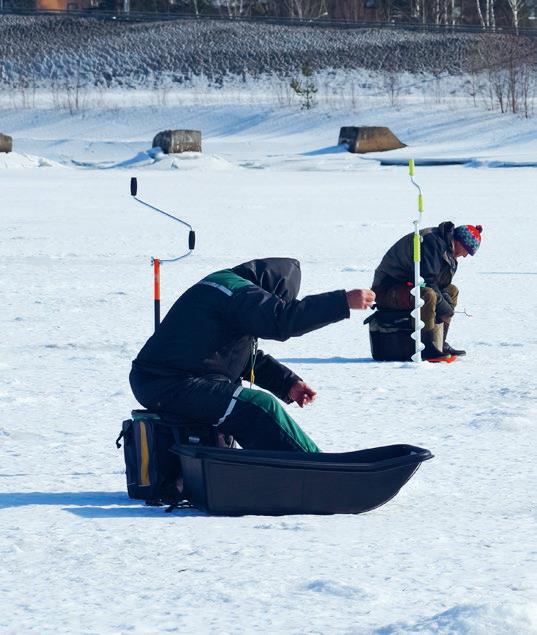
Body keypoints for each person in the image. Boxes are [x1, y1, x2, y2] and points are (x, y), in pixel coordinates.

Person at [130, 257, 375, 453]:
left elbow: (239, 357)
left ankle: (280, 473)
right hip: (169, 382)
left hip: (166, 380)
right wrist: (343, 302)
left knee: (246, 408)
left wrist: (287, 383)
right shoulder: (237, 292)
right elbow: (282, 321)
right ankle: (322, 471)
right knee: (258, 406)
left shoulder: (224, 289)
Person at [371, 222, 482, 359]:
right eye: (467, 250)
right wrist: (443, 305)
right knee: (427, 295)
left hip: (407, 285)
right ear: (459, 242)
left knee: (452, 291)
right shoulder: (432, 242)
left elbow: (440, 283)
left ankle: (438, 343)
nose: (465, 256)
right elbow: (425, 280)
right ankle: (426, 346)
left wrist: (444, 301)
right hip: (386, 289)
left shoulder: (446, 248)